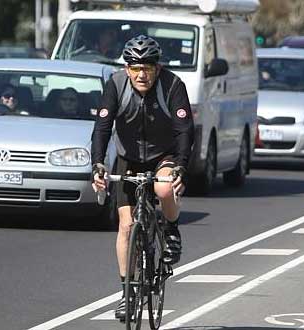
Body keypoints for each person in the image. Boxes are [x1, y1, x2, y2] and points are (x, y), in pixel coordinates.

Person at [91, 35, 194, 321]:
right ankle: (127, 294)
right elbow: (102, 127)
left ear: (157, 68)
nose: (142, 74)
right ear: (127, 69)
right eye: (135, 67)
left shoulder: (172, 85)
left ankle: (171, 228)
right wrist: (97, 165)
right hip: (128, 158)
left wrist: (180, 167)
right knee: (126, 226)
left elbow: (185, 130)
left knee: (163, 189)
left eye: (147, 67)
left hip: (164, 155)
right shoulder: (115, 85)